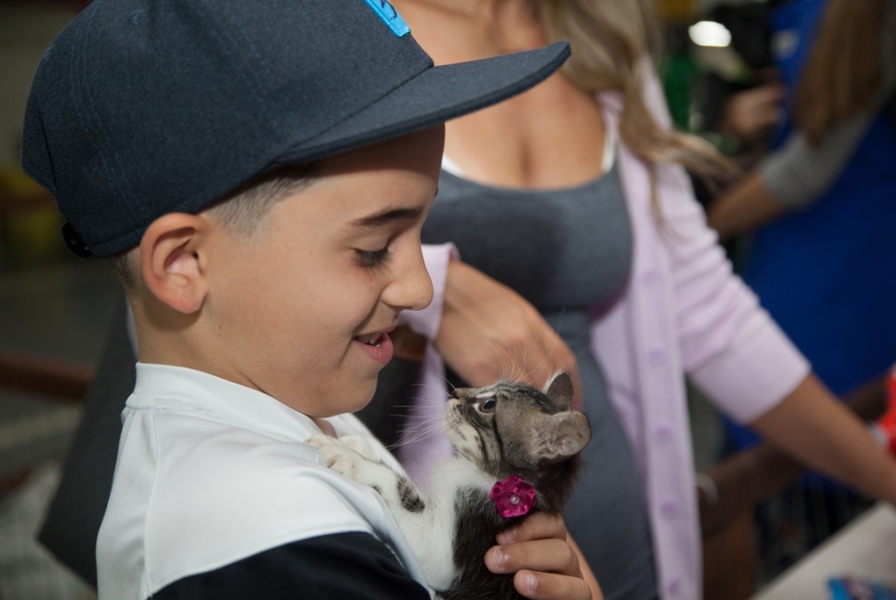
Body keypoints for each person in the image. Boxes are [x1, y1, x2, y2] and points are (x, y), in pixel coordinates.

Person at [20, 0, 600, 598]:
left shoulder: (291, 402)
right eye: (373, 247)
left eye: (421, 233)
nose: (422, 289)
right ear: (185, 263)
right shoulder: (278, 552)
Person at [368, 1, 896, 599]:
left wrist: (886, 478)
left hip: (622, 535)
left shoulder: (600, 33)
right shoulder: (353, 23)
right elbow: (267, 240)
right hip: (444, 555)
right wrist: (439, 289)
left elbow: (709, 311)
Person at [705, 0, 896, 573]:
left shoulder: (869, 17)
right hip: (777, 288)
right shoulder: (796, 14)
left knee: (832, 544)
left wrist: (694, 235)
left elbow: (805, 171)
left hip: (843, 300)